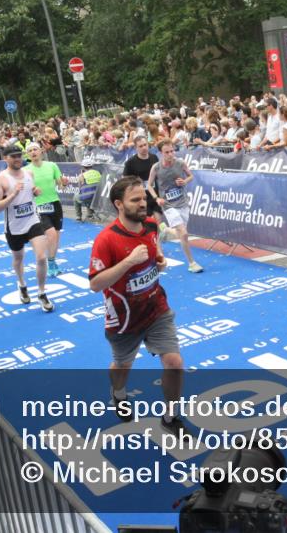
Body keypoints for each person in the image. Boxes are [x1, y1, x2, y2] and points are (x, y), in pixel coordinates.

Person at [89, 175, 186, 432]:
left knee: (174, 362)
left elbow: (156, 250)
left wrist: (160, 260)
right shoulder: (106, 239)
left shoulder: (152, 225)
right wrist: (129, 262)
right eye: (135, 200)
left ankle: (170, 417)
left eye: (143, 198)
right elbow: (96, 284)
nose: (143, 203)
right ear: (119, 204)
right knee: (123, 365)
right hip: (124, 318)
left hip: (156, 308)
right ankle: (118, 394)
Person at [0, 147, 54, 312]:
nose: (18, 159)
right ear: (5, 158)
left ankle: (41, 293)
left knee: (41, 257)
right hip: (14, 226)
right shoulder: (0, 179)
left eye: (20, 156)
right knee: (18, 258)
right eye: (14, 156)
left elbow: (31, 192)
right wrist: (12, 195)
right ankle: (22, 284)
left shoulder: (29, 174)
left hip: (32, 221)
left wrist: (35, 191)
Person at [147, 139, 203, 273]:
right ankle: (192, 263)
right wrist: (157, 198)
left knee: (181, 233)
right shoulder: (156, 167)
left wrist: (184, 181)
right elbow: (149, 185)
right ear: (161, 153)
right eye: (167, 152)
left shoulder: (180, 163)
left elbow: (191, 176)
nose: (170, 154)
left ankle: (166, 231)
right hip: (168, 205)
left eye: (172, 151)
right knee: (183, 234)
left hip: (182, 202)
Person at [26, 142, 68, 277]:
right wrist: (32, 191)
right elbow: (25, 192)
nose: (33, 152)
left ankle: (52, 261)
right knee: (51, 235)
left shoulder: (52, 166)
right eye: (30, 151)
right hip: (38, 206)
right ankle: (50, 264)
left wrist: (64, 184)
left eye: (35, 149)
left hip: (55, 203)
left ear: (41, 151)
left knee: (56, 237)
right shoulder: (26, 170)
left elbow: (61, 186)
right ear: (27, 154)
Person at [123, 136, 162, 224]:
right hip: (141, 197)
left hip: (155, 195)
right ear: (136, 148)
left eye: (145, 145)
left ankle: (158, 237)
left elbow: (159, 174)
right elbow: (125, 180)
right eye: (140, 146)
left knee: (158, 222)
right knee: (146, 223)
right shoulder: (131, 162)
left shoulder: (154, 158)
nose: (144, 148)